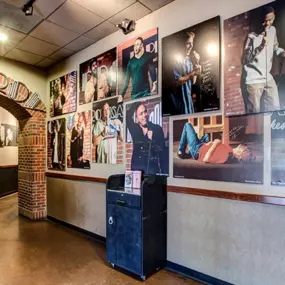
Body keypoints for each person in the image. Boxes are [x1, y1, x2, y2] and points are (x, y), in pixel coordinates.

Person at [242, 6, 285, 113]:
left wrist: (281, 52)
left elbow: (275, 47)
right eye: (265, 21)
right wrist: (261, 45)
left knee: (275, 109)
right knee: (254, 114)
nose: (267, 24)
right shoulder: (252, 36)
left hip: (267, 77)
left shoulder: (272, 30)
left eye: (270, 20)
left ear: (273, 18)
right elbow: (246, 59)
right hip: (254, 80)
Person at [177, 122, 252, 164]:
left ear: (239, 157)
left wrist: (215, 144)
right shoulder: (230, 151)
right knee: (206, 136)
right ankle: (190, 153)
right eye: (246, 148)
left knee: (187, 125)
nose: (245, 147)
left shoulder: (226, 156)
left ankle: (181, 151)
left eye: (245, 150)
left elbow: (206, 159)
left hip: (197, 150)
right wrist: (211, 144)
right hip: (202, 146)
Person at [126, 101, 167, 175]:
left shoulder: (157, 129)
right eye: (141, 114)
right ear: (137, 118)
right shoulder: (134, 129)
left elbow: (162, 152)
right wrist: (137, 103)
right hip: (136, 170)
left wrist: (153, 140)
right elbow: (127, 116)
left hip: (151, 171)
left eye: (145, 112)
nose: (144, 115)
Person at [170, 32, 202, 114]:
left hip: (188, 101)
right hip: (178, 102)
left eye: (192, 43)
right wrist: (193, 73)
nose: (191, 46)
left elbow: (193, 81)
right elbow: (177, 82)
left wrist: (196, 64)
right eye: (188, 43)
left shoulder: (189, 60)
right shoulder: (174, 59)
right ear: (182, 44)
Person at [118, 37, 157, 101]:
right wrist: (122, 94)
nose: (135, 47)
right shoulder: (131, 62)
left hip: (145, 92)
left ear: (141, 45)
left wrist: (154, 83)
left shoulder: (147, 57)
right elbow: (126, 79)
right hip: (135, 94)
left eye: (137, 44)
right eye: (134, 45)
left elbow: (152, 70)